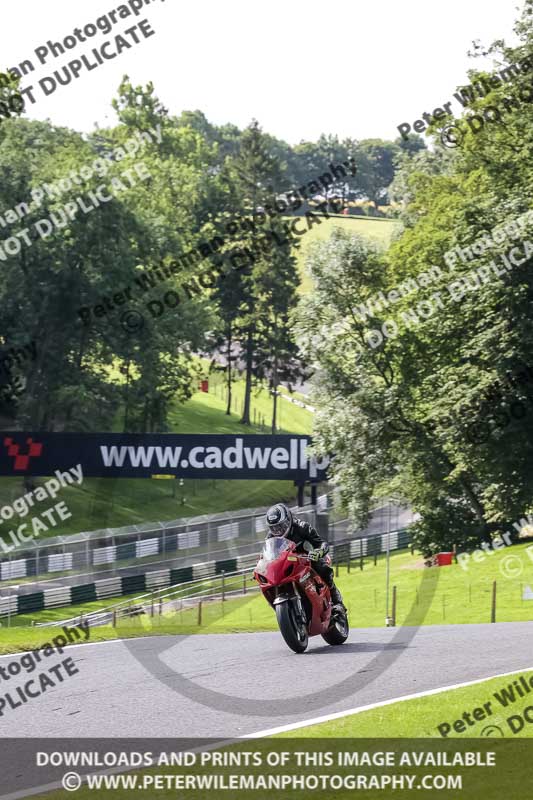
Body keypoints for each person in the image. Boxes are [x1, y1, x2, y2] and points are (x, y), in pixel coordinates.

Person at [265, 503, 345, 611]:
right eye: (274, 528)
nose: (278, 531)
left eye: (281, 526)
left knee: (321, 566)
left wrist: (318, 552)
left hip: (307, 559)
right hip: (287, 564)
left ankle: (337, 600)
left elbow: (322, 543)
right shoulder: (270, 537)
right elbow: (268, 555)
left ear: (288, 520)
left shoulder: (302, 527)